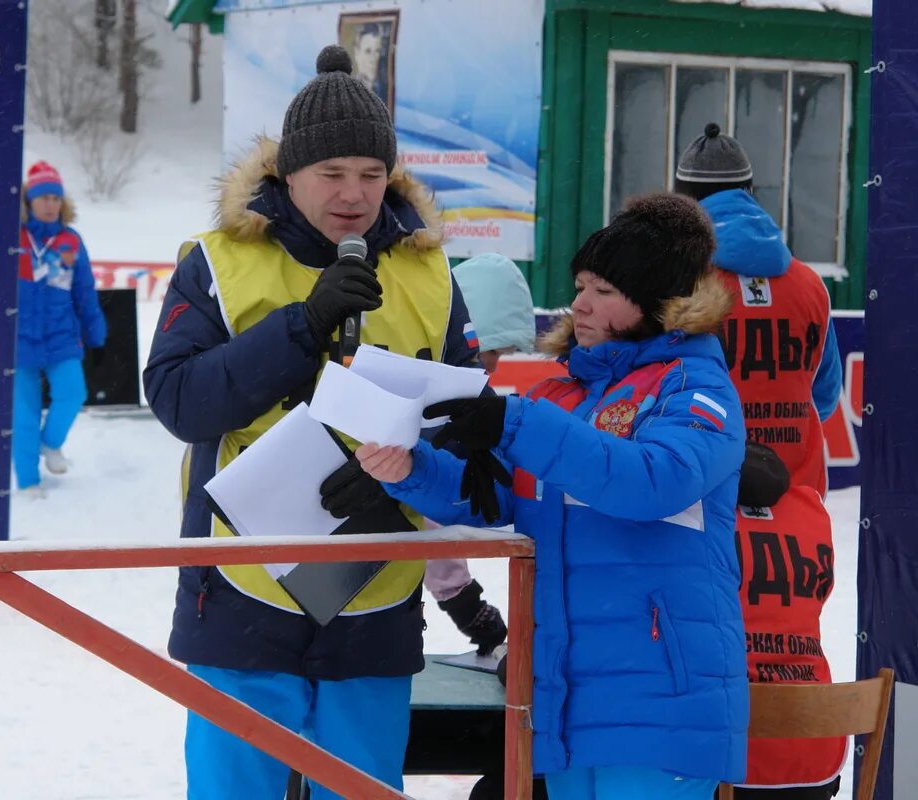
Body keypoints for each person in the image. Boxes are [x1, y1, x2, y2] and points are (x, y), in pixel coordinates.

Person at [143, 44, 480, 800]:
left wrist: (406, 484)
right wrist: (304, 324)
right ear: (286, 173)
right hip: (241, 583)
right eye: (331, 174)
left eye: (370, 174)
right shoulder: (218, 261)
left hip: (377, 585)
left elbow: (469, 425)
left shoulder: (431, 271)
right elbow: (178, 400)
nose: (353, 194)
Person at [358, 193, 750, 800]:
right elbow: (488, 498)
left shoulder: (697, 389)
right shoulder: (562, 397)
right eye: (581, 285)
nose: (580, 303)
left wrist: (512, 423)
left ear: (657, 304)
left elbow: (650, 481)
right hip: (566, 705)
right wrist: (407, 466)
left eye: (603, 291)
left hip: (661, 707)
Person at [675, 123, 842, 496]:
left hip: (705, 493)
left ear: (684, 197)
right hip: (797, 494)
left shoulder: (677, 279)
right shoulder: (810, 284)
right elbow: (825, 395)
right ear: (749, 191)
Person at [425, 253, 537, 657]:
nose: (496, 367)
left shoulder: (462, 398)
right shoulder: (442, 401)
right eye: (493, 353)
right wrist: (463, 602)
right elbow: (429, 510)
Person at [727, 442, 843, 800]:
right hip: (815, 742)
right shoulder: (811, 509)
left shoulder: (704, 514)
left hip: (735, 756)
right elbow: (822, 592)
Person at [13, 160, 107, 499]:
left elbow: (84, 289)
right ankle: (27, 481)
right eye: (43, 198)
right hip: (17, 340)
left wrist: (94, 330)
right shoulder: (15, 238)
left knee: (72, 393)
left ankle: (50, 444)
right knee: (24, 413)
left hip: (60, 336)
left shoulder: (71, 240)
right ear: (29, 202)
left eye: (55, 198)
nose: (50, 204)